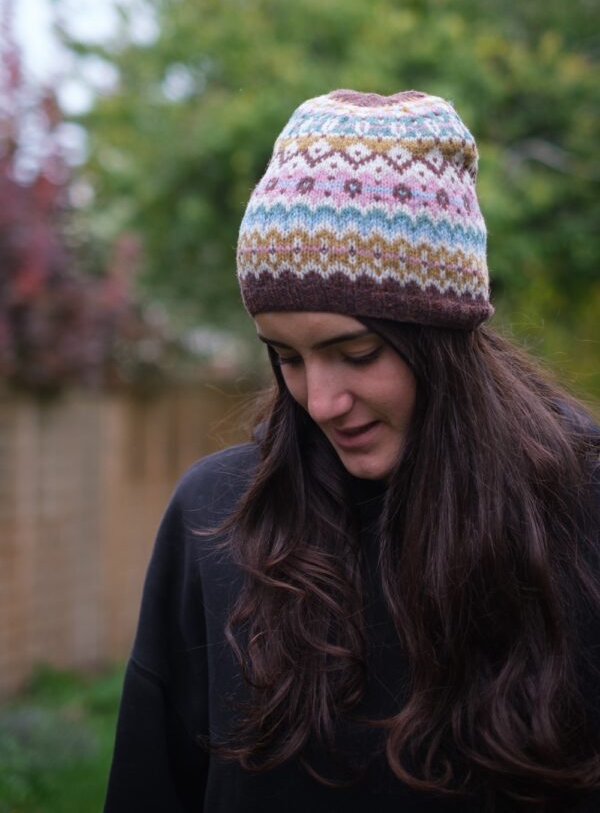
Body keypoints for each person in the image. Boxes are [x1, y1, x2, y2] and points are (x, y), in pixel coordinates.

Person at [103, 90, 600, 812]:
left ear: (441, 339)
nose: (320, 401)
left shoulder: (581, 507)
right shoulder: (216, 518)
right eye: (286, 357)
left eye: (357, 353)